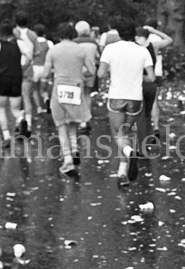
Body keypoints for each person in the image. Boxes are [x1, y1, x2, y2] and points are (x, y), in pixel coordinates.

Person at [97, 19, 155, 187]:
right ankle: (122, 172)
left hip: (117, 96)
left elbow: (101, 74)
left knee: (118, 134)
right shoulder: (143, 51)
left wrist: (113, 73)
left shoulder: (110, 49)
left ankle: (130, 153)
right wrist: (137, 76)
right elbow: (151, 77)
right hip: (135, 98)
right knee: (128, 133)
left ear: (118, 33)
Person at [42, 22, 93, 175]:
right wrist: (80, 76)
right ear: (73, 34)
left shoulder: (53, 51)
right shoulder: (81, 50)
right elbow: (92, 70)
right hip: (76, 87)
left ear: (59, 35)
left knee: (61, 124)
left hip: (60, 87)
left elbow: (45, 74)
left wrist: (49, 79)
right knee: (72, 121)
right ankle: (75, 149)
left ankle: (67, 159)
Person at [0, 21, 24, 146]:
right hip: (17, 77)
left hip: (2, 77)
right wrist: (23, 66)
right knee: (15, 109)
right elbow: (29, 55)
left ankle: (6, 136)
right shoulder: (19, 43)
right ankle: (20, 118)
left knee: (1, 108)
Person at [145, 20, 173, 143]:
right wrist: (155, 31)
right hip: (157, 72)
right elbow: (169, 40)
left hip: (144, 74)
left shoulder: (141, 40)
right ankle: (155, 127)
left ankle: (144, 128)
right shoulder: (157, 40)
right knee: (154, 101)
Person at [14, 13, 40, 137]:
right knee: (26, 96)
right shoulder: (33, 35)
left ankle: (18, 120)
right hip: (28, 68)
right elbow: (38, 51)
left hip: (14, 68)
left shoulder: (13, 33)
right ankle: (28, 122)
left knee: (15, 96)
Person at [72, 21, 99, 132]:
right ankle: (87, 118)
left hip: (77, 72)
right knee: (87, 94)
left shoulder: (74, 43)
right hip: (90, 71)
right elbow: (98, 57)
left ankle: (80, 120)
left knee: (78, 96)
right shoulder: (94, 43)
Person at [32, 24, 53, 115]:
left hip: (34, 68)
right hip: (45, 68)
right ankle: (46, 98)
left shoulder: (33, 43)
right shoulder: (49, 43)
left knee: (35, 89)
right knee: (43, 89)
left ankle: (39, 108)